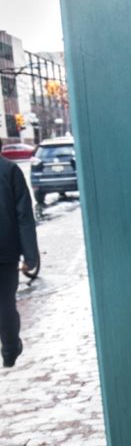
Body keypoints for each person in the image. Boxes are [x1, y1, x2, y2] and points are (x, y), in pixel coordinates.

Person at [1, 154, 40, 368]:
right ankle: (9, 350)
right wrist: (30, 256)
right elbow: (24, 215)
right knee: (5, 303)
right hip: (6, 250)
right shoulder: (10, 171)